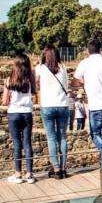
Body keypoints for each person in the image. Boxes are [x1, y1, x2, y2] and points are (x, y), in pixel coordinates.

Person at [72, 40, 102, 176]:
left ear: (88, 50)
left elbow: (74, 82)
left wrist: (83, 82)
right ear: (100, 50)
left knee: (94, 134)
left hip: (96, 105)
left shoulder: (84, 63)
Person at [36, 44, 69, 180]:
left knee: (51, 138)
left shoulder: (40, 69)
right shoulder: (63, 68)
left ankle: (56, 169)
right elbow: (66, 85)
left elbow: (36, 84)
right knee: (62, 137)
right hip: (62, 105)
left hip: (47, 106)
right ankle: (63, 168)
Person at [2, 52, 36, 184]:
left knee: (17, 143)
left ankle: (17, 174)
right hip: (27, 112)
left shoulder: (8, 80)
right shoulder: (30, 78)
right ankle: (30, 174)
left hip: (14, 113)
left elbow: (5, 101)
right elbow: (34, 91)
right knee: (27, 143)